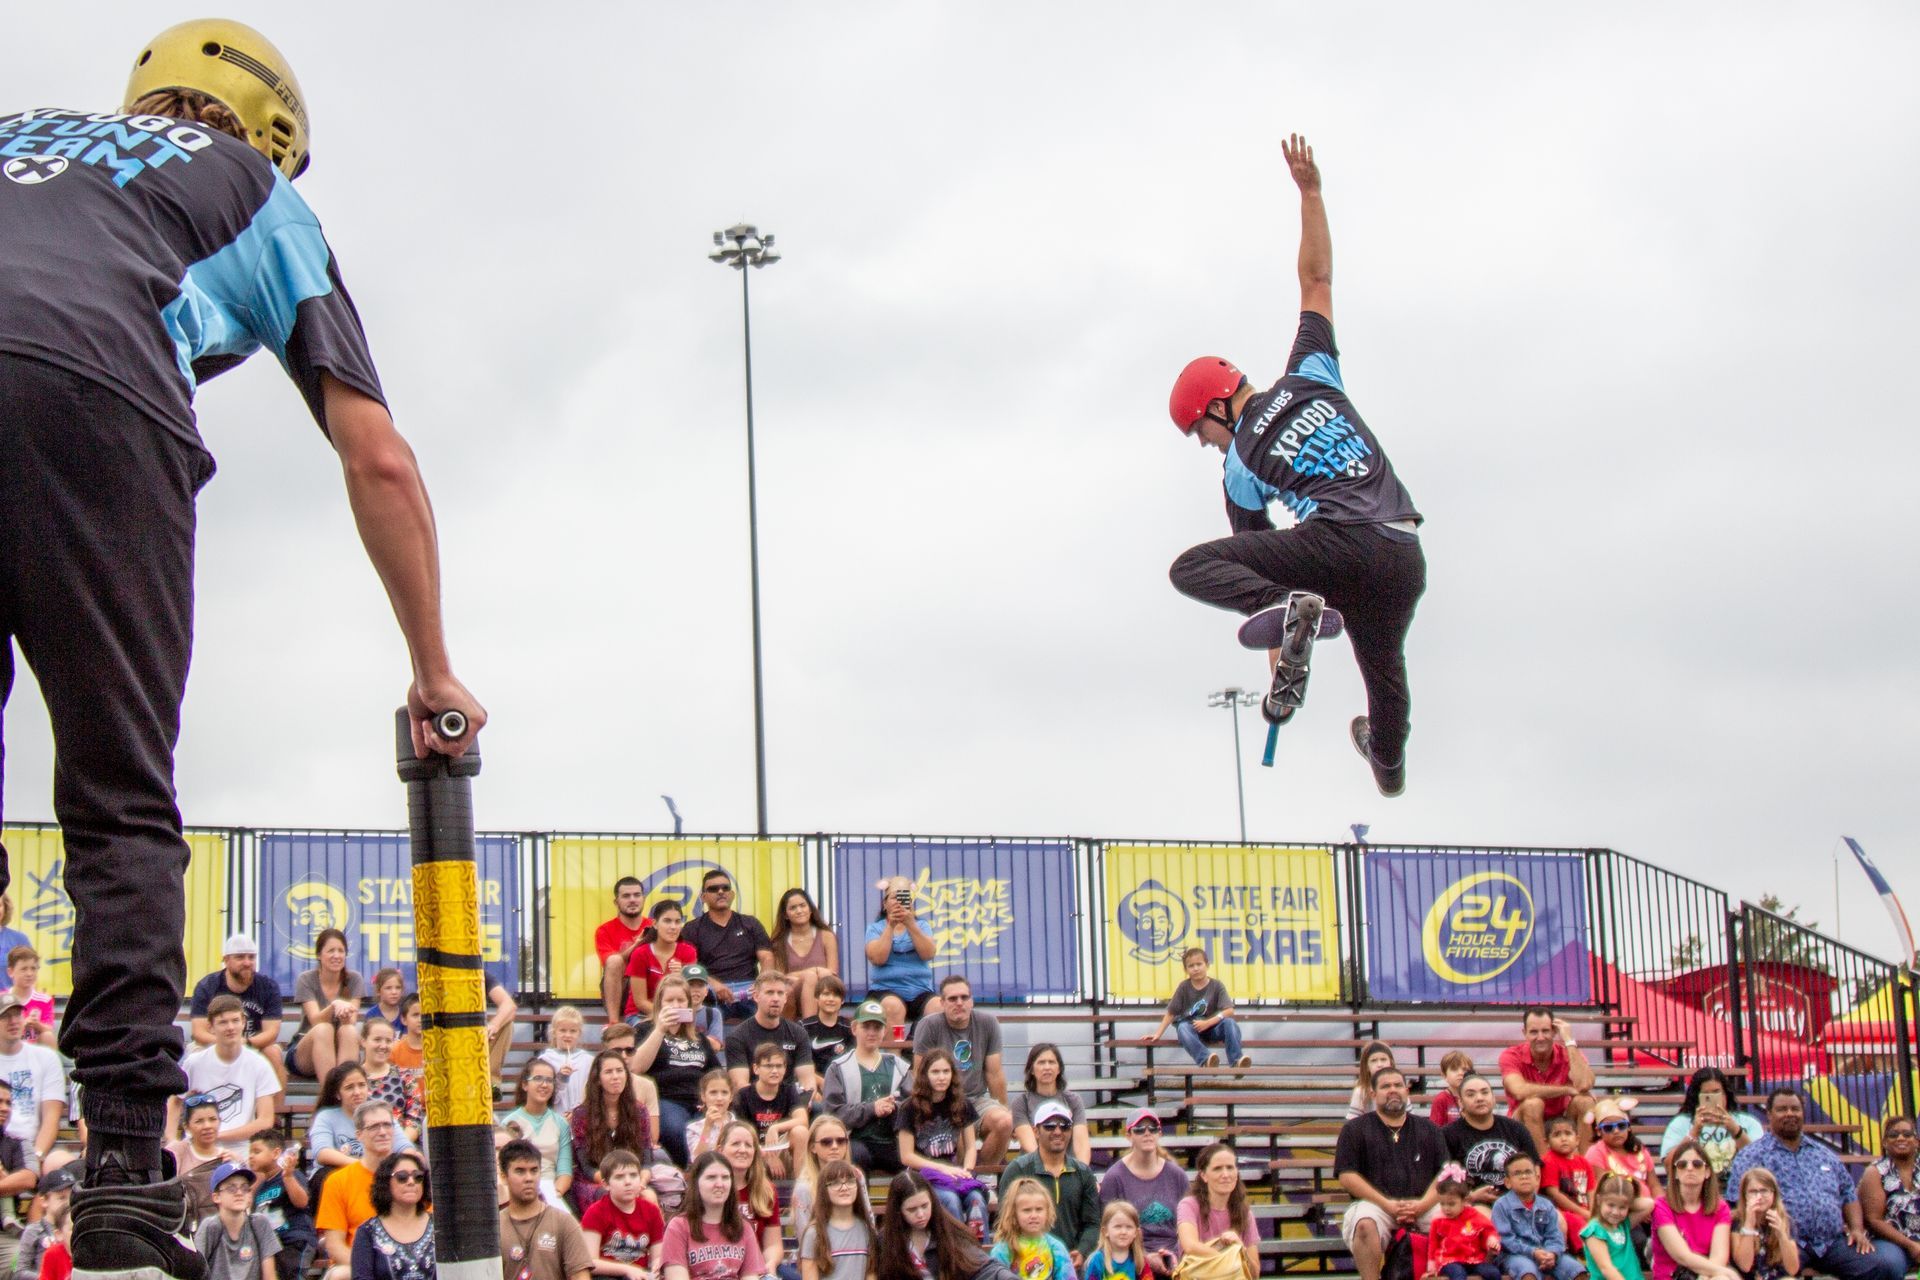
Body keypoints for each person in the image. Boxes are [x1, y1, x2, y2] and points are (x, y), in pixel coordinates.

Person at [1, 28, 488, 1276]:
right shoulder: (260, 196)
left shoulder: (14, 138)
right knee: (118, 807)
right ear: (270, 136)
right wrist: (434, 668)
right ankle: (118, 1167)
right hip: (95, 393)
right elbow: (376, 452)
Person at [1165, 132, 1425, 798]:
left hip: (1335, 549)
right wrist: (1311, 193)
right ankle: (1387, 756)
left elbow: (1255, 558)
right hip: (1400, 552)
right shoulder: (1312, 370)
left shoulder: (1241, 463)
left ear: (1218, 409)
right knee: (1384, 669)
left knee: (1191, 567)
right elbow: (1317, 279)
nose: (1208, 446)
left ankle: (1381, 744)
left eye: (1202, 433)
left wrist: (1281, 670)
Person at [1729, 1089, 1903, 1280]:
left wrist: (1855, 1229)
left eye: (1795, 1108)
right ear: (1769, 1114)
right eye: (1782, 1109)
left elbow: (1848, 1193)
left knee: (1884, 1266)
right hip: (1782, 1242)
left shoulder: (1824, 1154)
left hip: (1832, 1243)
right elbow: (1736, 1203)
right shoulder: (1752, 1156)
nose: (1789, 1113)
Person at [1335, 1065, 1451, 1280]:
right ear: (1373, 1093)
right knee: (1365, 1223)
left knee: (1453, 1221)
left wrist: (1422, 1205)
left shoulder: (1429, 1129)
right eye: (1385, 1086)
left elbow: (1445, 1174)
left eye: (1398, 1085)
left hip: (1422, 1204)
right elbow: (1346, 1175)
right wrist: (1387, 1204)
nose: (1393, 1090)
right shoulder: (1355, 1129)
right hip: (1377, 1205)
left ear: (1407, 1090)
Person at [913, 977, 1013, 1167]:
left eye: (964, 997)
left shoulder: (988, 1023)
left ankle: (981, 1177)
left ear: (972, 1001)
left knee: (1005, 1122)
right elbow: (919, 1074)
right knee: (954, 1132)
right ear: (942, 1003)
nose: (959, 1003)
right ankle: (959, 1183)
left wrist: (1003, 1108)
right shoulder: (928, 1026)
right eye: (952, 999)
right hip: (942, 1100)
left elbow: (995, 1074)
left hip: (977, 1099)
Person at [631, 976, 722, 1168]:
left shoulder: (698, 1038)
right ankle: (689, 1171)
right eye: (669, 1000)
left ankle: (704, 1171)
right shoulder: (645, 1029)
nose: (675, 1005)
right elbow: (636, 1068)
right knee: (676, 1130)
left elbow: (716, 1075)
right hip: (666, 1099)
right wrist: (660, 1029)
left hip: (700, 1101)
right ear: (659, 1004)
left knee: (717, 1128)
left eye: (681, 1000)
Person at [1000, 1101, 1100, 1269]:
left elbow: (1092, 1223)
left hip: (1071, 1262)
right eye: (1050, 1126)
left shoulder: (1083, 1173)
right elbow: (1005, 1221)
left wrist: (1082, 1252)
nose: (1058, 1131)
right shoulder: (1018, 1170)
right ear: (1035, 1131)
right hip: (1027, 1262)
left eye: (1065, 1126)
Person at [179, 994, 280, 1158]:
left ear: (243, 1022)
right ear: (211, 1027)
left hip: (240, 1147)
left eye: (235, 1020)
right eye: (223, 1022)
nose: (230, 1027)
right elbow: (175, 1100)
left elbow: (265, 1120)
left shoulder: (259, 1064)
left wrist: (216, 1136)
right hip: (196, 1147)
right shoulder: (194, 1062)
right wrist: (170, 1138)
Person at [898, 1050, 988, 1236]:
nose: (941, 1077)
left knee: (976, 1199)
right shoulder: (909, 1108)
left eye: (946, 1072)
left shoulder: (961, 1104)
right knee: (950, 1201)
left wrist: (968, 1170)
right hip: (924, 1177)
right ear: (925, 1075)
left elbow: (971, 1146)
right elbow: (906, 1156)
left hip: (956, 1174)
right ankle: (956, 1252)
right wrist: (942, 1169)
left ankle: (980, 1252)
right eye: (935, 1072)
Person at [822, 1001, 909, 1176]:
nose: (871, 1032)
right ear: (854, 1028)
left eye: (877, 1027)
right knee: (856, 1158)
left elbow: (913, 1109)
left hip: (892, 1141)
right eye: (866, 1026)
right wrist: (872, 1109)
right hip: (854, 1140)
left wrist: (894, 1109)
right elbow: (833, 1115)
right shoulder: (838, 1067)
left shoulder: (899, 1066)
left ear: (884, 1031)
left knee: (914, 1160)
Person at [873, 1171, 1010, 1280]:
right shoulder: (885, 1241)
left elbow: (983, 1266)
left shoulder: (949, 1231)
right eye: (912, 1209)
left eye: (925, 1206)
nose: (921, 1214)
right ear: (898, 1210)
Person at [315, 1102, 399, 1280]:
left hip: (405, 1263)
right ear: (359, 1135)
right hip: (357, 1265)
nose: (383, 1132)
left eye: (387, 1125)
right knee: (340, 1276)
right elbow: (335, 1245)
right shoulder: (338, 1181)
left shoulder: (410, 1178)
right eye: (374, 1127)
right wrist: (374, 1270)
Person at [188, 936, 287, 1083]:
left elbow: (271, 1033)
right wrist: (227, 1044)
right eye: (240, 957)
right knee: (196, 1056)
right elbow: (199, 1033)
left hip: (253, 1044)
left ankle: (273, 1107)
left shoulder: (268, 986)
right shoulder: (207, 986)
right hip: (214, 1043)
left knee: (273, 1052)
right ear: (226, 960)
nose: (247, 963)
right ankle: (202, 1104)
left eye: (251, 957)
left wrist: (245, 1043)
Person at [1099, 1109, 1184, 1278]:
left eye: (1152, 1128)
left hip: (1175, 1258)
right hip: (1130, 1259)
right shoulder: (1115, 1177)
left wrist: (1177, 1257)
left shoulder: (1176, 1175)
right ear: (1129, 1135)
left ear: (1159, 1133)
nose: (1147, 1133)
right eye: (1139, 1129)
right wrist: (1143, 1258)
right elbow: (1107, 1233)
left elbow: (1188, 1224)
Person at [571, 1050, 657, 1215]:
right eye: (609, 1072)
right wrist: (614, 1183)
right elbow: (586, 1167)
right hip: (596, 1180)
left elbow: (646, 1159)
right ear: (598, 1079)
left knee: (648, 1197)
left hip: (631, 1178)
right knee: (610, 1196)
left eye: (619, 1070)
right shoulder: (582, 1114)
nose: (616, 1076)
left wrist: (639, 1182)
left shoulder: (639, 1111)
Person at [1501, 1010, 1597, 1157]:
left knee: (1585, 1101)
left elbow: (1584, 1084)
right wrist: (1566, 1090)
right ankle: (1546, 1169)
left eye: (1545, 1031)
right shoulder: (1511, 1055)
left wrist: (1569, 1041)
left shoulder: (1567, 1053)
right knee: (1533, 1104)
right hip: (1522, 1122)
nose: (1540, 1037)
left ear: (1554, 1031)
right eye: (1534, 1032)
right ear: (1524, 1033)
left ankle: (1584, 1169)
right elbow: (1518, 1090)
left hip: (1561, 1120)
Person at [659, 1151, 765, 1280]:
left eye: (725, 1177)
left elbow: (750, 1277)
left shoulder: (744, 1227)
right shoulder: (678, 1227)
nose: (719, 1184)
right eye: (711, 1177)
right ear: (696, 1182)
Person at [685, 872, 774, 1022]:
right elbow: (689, 966)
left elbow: (767, 957)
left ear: (732, 894)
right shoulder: (692, 928)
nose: (720, 892)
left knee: (770, 1003)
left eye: (725, 888)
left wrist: (761, 983)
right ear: (703, 897)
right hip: (711, 990)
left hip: (750, 989)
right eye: (713, 889)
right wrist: (713, 985)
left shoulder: (750, 923)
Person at [499, 1138, 593, 1280]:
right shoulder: (493, 1228)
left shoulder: (564, 1222)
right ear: (504, 1176)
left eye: (534, 1170)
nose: (529, 1178)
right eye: (520, 1171)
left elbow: (580, 1275)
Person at [1140, 948, 1248, 1069]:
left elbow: (1229, 1011)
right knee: (1182, 1027)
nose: (1196, 968)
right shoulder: (1183, 987)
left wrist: (1207, 1023)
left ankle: (1237, 1062)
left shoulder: (1216, 985)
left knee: (1230, 1022)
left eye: (1199, 964)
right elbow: (1171, 1013)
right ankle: (1206, 1060)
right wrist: (1157, 1034)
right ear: (1186, 970)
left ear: (1207, 965)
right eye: (1191, 966)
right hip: (1191, 1029)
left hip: (1212, 1028)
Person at [307, 1064, 416, 1179]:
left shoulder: (381, 1114)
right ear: (338, 1094)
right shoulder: (326, 1117)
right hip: (339, 1175)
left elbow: (406, 1148)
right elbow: (322, 1153)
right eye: (349, 1087)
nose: (357, 1092)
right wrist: (363, 1166)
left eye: (362, 1085)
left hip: (376, 1175)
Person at [1446, 1075, 1540, 1206]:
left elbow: (1535, 1167)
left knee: (1560, 1222)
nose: (1479, 1098)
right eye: (1471, 1095)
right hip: (1473, 1205)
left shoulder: (1516, 1128)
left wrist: (1527, 1201)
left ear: (1493, 1098)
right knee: (1490, 1223)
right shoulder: (1448, 1134)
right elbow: (1443, 1181)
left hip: (1519, 1201)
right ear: (1460, 1103)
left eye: (1485, 1092)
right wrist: (1470, 1197)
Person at [1650, 1141, 1738, 1280]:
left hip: (1705, 1275)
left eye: (1697, 1164)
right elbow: (1682, 1256)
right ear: (1676, 1173)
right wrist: (1728, 1273)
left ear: (1707, 1172)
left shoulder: (1720, 1208)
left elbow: (1718, 1257)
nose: (1689, 1168)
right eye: (1682, 1165)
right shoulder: (1662, 1206)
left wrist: (1703, 1276)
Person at [290, 929, 367, 1083]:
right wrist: (334, 1005)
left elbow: (350, 1021)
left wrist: (345, 1012)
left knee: (349, 1031)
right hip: (306, 1051)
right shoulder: (306, 979)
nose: (337, 956)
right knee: (324, 1029)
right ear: (319, 955)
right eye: (331, 951)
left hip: (341, 1049)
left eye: (341, 951)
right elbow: (315, 1021)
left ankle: (345, 1090)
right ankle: (330, 1096)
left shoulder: (354, 979)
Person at [1492, 1152, 1585, 1280]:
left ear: (1537, 1178)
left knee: (1577, 1270)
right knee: (1528, 1273)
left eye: (1528, 1172)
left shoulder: (1546, 1205)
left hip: (1546, 1254)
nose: (1524, 1176)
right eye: (1517, 1173)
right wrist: (1533, 1252)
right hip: (1515, 1256)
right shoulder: (1501, 1206)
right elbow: (1506, 1240)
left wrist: (1552, 1253)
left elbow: (1555, 1236)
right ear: (1507, 1182)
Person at [862, 878, 937, 1033]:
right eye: (894, 897)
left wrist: (910, 924)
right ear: (885, 904)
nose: (899, 902)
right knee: (893, 1007)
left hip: (920, 990)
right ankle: (896, 1048)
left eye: (904, 897)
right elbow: (878, 958)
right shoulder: (875, 928)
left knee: (937, 1006)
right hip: (885, 990)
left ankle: (917, 1044)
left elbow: (928, 953)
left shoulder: (922, 926)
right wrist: (890, 925)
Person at [0, 998, 67, 1172]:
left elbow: (51, 1118)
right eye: (6, 1016)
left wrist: (34, 1158)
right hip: (2, 1146)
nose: (14, 1021)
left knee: (60, 1162)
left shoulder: (46, 1058)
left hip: (31, 1148)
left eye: (17, 1015)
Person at [502, 1060, 575, 1212]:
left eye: (549, 1080)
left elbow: (564, 1171)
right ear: (524, 1085)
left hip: (552, 1190)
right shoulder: (510, 1123)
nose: (544, 1084)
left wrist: (554, 1194)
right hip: (520, 1190)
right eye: (538, 1079)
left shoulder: (560, 1123)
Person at [1661, 1069, 1762, 1178]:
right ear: (1697, 1097)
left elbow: (1760, 1162)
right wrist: (1694, 1132)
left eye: (1716, 1092)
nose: (1712, 1099)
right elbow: (1669, 1166)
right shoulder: (1681, 1123)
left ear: (1725, 1094)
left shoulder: (1748, 1122)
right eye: (1706, 1095)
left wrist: (1735, 1131)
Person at [581, 1149, 665, 1280]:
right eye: (619, 1177)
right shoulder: (595, 1212)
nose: (628, 1182)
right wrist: (627, 1270)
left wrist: (656, 1266)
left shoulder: (651, 1210)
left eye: (633, 1175)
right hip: (607, 1276)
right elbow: (590, 1263)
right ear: (606, 1184)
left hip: (640, 1275)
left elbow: (657, 1255)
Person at [348, 1151, 433, 1280]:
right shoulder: (368, 1232)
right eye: (402, 1177)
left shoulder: (439, 1228)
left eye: (417, 1176)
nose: (411, 1181)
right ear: (386, 1182)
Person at [723, 976, 816, 1092]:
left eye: (780, 993)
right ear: (756, 996)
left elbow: (808, 1080)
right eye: (770, 993)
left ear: (786, 998)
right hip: (753, 1103)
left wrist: (806, 1099)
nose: (776, 998)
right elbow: (740, 1085)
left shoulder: (798, 1033)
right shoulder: (737, 1036)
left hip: (791, 1102)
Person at [1177, 1142, 1261, 1270]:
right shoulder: (1189, 1205)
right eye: (1217, 1168)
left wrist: (1240, 1248)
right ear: (1204, 1175)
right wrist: (1230, 1260)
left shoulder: (1245, 1213)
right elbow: (1190, 1246)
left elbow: (1254, 1274)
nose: (1225, 1175)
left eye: (1230, 1167)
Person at [193, 1160, 280, 1280]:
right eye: (231, 1188)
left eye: (245, 1188)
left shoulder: (259, 1223)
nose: (239, 1193)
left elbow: (270, 1276)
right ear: (216, 1197)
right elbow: (196, 1272)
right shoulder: (210, 1226)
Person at [716, 1123, 783, 1278]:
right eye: (735, 1144)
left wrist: (769, 1265)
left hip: (757, 1267)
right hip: (719, 1268)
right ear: (720, 1150)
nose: (743, 1150)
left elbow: (773, 1244)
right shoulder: (711, 1189)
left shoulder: (766, 1190)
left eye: (748, 1145)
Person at [732, 1044, 808, 1179]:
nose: (774, 1070)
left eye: (779, 1066)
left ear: (785, 1069)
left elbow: (803, 1120)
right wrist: (767, 1155)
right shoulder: (744, 1095)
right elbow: (741, 1132)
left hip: (780, 1149)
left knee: (800, 1132)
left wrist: (775, 1127)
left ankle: (800, 1189)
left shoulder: (789, 1090)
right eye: (768, 1066)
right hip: (753, 1150)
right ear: (756, 1068)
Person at [248, 1130, 315, 1280]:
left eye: (257, 1151)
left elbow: (302, 1202)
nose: (251, 1156)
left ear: (276, 1153)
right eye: (250, 1152)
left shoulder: (291, 1174)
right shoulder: (261, 1187)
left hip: (295, 1241)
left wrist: (288, 1177)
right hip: (273, 1247)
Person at [1858, 1115, 1920, 1275]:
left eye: (1907, 1134)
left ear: (1916, 1141)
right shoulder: (1875, 1172)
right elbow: (1874, 1220)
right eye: (1893, 1135)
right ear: (1885, 1142)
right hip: (1891, 1242)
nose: (1901, 1138)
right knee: (1889, 1264)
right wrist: (1911, 1245)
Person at [1010, 1044, 1091, 1165]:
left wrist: (1083, 1173)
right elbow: (1029, 1144)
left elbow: (1081, 1143)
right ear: (1031, 1069)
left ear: (1059, 1069)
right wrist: (1052, 1168)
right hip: (1034, 1170)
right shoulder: (1021, 1102)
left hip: (1069, 1169)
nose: (1047, 1067)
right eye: (1041, 1062)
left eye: (1052, 1062)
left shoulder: (1073, 1100)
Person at [767, 889, 839, 1022]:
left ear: (810, 909)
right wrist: (813, 971)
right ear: (786, 915)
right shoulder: (779, 942)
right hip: (791, 993)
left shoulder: (826, 936)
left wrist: (808, 974)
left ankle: (814, 1025)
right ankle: (809, 1027)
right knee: (811, 976)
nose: (799, 911)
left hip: (822, 989)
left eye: (802, 905)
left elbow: (832, 974)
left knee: (822, 977)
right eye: (793, 908)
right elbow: (781, 978)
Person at [798, 1159, 874, 1280]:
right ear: (824, 1190)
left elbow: (871, 1272)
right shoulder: (814, 1233)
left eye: (850, 1182)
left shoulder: (865, 1229)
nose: (844, 1188)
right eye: (835, 1183)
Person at [786, 1117, 854, 1248]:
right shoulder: (804, 1187)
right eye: (826, 1142)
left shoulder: (857, 1177)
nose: (834, 1146)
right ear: (812, 1147)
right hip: (819, 1258)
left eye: (841, 1141)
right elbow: (805, 1240)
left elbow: (868, 1223)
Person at [1585, 1099, 1657, 1222]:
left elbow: (1655, 1186)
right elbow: (1606, 1189)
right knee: (1639, 1239)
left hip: (1650, 1209)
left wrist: (1658, 1207)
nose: (1616, 1131)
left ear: (1628, 1127)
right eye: (1608, 1128)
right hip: (1619, 1211)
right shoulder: (1596, 1152)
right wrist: (1642, 1209)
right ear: (1598, 1131)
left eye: (1621, 1125)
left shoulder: (1640, 1149)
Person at [1425, 1167, 1501, 1280]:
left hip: (1474, 1259)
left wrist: (1491, 1241)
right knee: (1458, 1274)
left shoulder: (1474, 1216)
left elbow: (1488, 1231)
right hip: (1449, 1260)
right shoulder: (1438, 1219)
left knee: (1493, 1273)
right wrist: (1431, 1266)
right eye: (1442, 1204)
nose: (1446, 1209)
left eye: (1451, 1204)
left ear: (1464, 1201)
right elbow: (1433, 1243)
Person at [993, 1177, 1075, 1279]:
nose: (1034, 1215)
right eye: (1027, 1210)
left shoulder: (1056, 1248)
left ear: (1048, 1211)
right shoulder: (1003, 1250)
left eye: (1039, 1209)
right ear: (1014, 1213)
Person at [628, 901, 697, 1023]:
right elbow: (640, 1002)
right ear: (655, 924)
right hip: (641, 1015)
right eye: (667, 921)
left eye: (677, 921)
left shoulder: (688, 952)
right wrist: (666, 1017)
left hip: (677, 1013)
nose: (673, 927)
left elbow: (691, 996)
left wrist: (683, 975)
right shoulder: (640, 953)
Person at [598, 878, 654, 1026]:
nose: (632, 900)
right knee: (615, 960)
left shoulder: (654, 926)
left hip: (651, 988)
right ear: (616, 902)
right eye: (626, 896)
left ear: (643, 898)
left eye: (637, 895)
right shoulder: (604, 930)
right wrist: (637, 945)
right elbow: (610, 964)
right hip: (622, 991)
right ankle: (614, 1023)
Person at [165, 1094, 227, 1224]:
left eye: (212, 1119)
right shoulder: (175, 1151)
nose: (207, 1126)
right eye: (199, 1121)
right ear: (186, 1126)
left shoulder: (229, 1159)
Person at [361, 1020, 425, 1145]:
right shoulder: (353, 1077)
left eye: (388, 1041)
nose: (383, 1046)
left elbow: (414, 1120)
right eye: (377, 1040)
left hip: (400, 1146)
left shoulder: (405, 1076)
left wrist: (397, 1147)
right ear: (363, 1041)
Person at [1730, 1167, 1799, 1280]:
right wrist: (1749, 1224)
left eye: (1764, 1191)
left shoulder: (1785, 1220)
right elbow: (1744, 1266)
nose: (1759, 1197)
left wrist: (1782, 1235)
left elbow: (1793, 1269)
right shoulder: (1735, 1220)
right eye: (1753, 1192)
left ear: (1773, 1194)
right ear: (1745, 1195)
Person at [1540, 1117, 1593, 1243]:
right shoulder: (1549, 1161)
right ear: (1547, 1142)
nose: (1563, 1139)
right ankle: (1583, 1255)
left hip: (1586, 1210)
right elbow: (1554, 1193)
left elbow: (1591, 1190)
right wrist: (1583, 1213)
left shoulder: (1583, 1162)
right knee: (1579, 1224)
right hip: (1563, 1212)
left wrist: (1593, 1212)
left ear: (1577, 1140)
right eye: (1557, 1135)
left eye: (1568, 1134)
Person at [1578, 1176, 1643, 1280]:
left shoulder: (1623, 1224)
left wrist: (1628, 1201)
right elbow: (1606, 1268)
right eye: (1611, 1205)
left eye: (1622, 1207)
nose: (1615, 1212)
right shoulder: (1594, 1230)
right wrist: (1624, 1203)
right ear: (1599, 1200)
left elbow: (1649, 1204)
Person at [541, 1007, 596, 1115]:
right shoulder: (545, 1060)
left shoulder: (589, 1060)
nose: (568, 1035)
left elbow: (593, 1093)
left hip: (582, 1118)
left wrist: (579, 1112)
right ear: (554, 1032)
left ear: (579, 1033)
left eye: (573, 1031)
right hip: (555, 1116)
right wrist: (560, 1079)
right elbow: (546, 1097)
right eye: (562, 1030)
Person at [800, 978, 853, 1078]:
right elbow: (800, 1065)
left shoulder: (849, 1028)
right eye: (826, 994)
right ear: (816, 998)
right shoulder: (803, 1027)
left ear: (842, 1001)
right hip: (811, 1083)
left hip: (841, 1083)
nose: (831, 999)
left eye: (836, 995)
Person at [4, 950, 56, 1049]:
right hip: (7, 1052)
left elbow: (50, 1029)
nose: (29, 973)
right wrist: (22, 1025)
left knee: (47, 1036)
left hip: (33, 1054)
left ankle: (49, 1064)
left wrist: (36, 1024)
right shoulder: (3, 1000)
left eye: (33, 969)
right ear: (10, 972)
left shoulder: (44, 1000)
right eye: (24, 969)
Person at [1087, 1202, 1150, 1280]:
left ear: (1136, 1233)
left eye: (1129, 1227)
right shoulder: (1097, 1260)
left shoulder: (1140, 1260)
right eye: (1118, 1226)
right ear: (1105, 1231)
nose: (1123, 1232)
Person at [680, 968, 727, 1053]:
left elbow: (716, 1045)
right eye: (690, 985)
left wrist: (688, 1037)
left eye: (700, 985)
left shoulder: (713, 1013)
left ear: (706, 991)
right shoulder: (676, 1012)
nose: (696, 989)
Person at [1349, 1041, 1397, 1121]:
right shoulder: (1361, 1092)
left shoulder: (1399, 1089)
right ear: (1367, 1066)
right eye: (1374, 1061)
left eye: (1383, 1059)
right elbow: (1352, 1123)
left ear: (1391, 1063)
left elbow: (1409, 1120)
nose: (1379, 1064)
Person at [1431, 1052, 1475, 1130]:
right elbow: (1435, 1130)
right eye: (1454, 1069)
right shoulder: (1441, 1099)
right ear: (1444, 1075)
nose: (1460, 1073)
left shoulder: (1475, 1097)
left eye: (1465, 1069)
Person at [364, 970, 408, 1037]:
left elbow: (407, 1038)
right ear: (378, 991)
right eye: (388, 988)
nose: (394, 992)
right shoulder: (372, 1015)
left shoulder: (405, 1012)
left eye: (398, 987)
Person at [390, 996, 426, 1071]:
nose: (420, 1020)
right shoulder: (394, 1052)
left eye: (424, 1015)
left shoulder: (437, 1050)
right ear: (404, 1019)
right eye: (415, 1015)